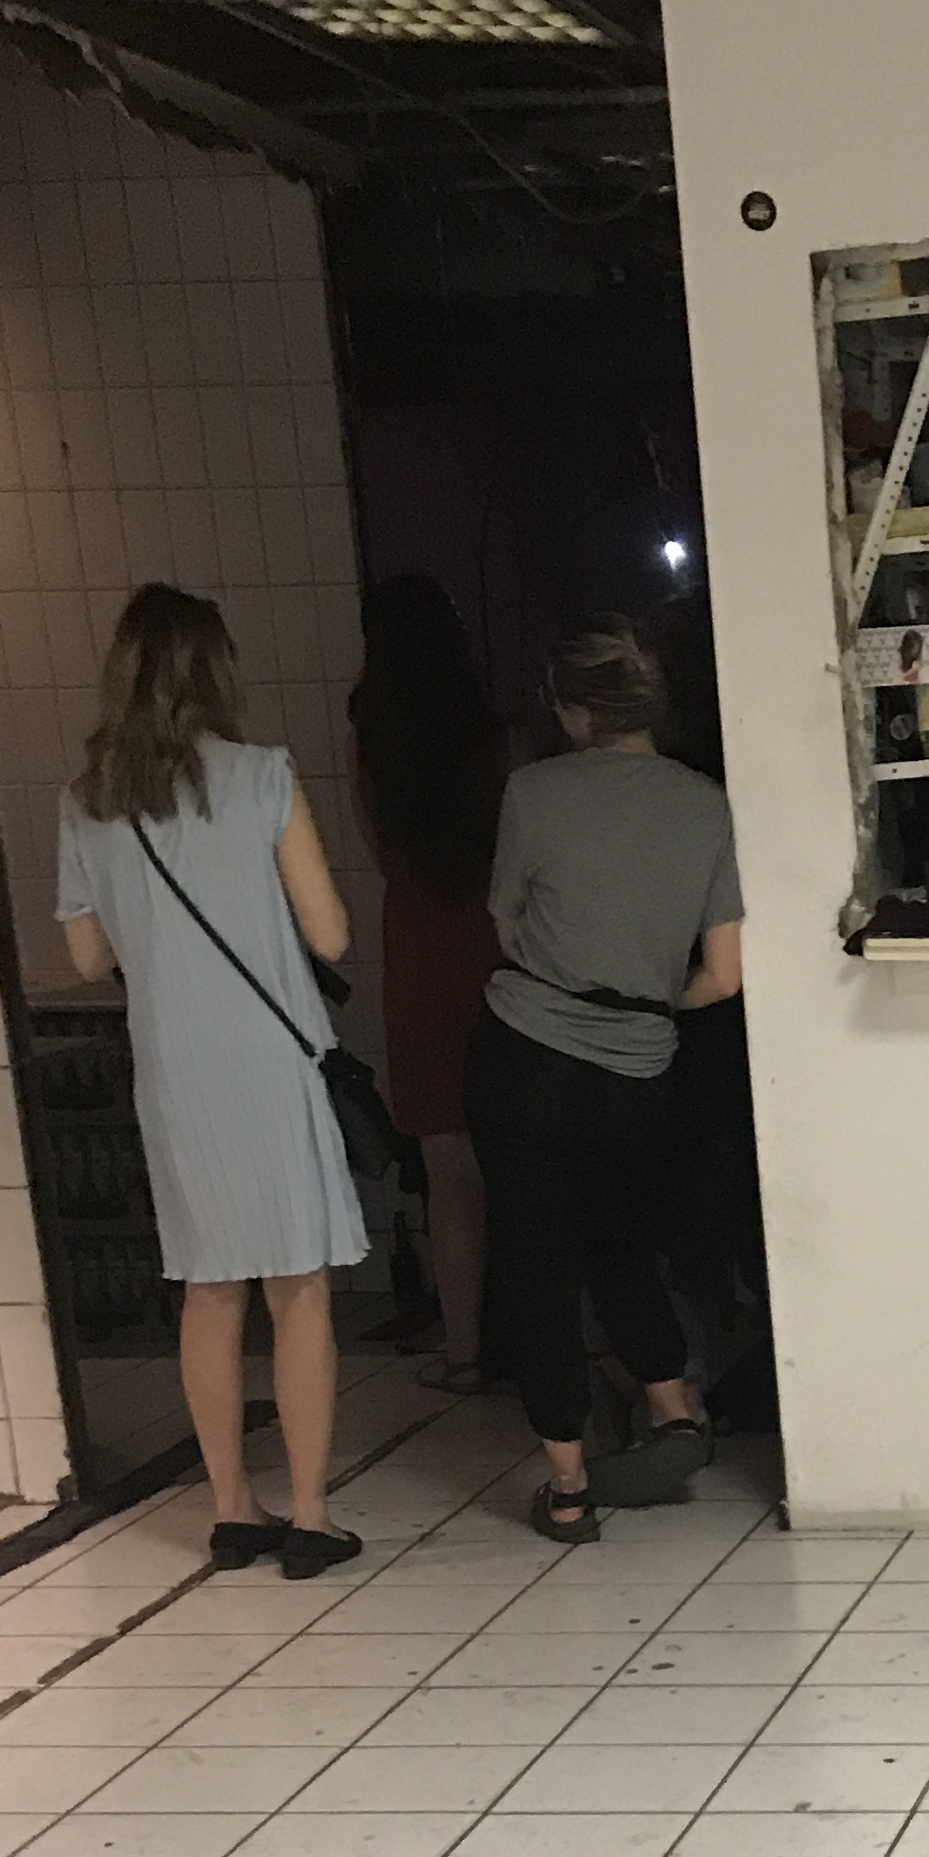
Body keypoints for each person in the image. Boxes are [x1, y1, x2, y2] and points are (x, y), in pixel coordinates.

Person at [55, 582, 364, 1575]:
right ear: (216, 669)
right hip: (267, 1060)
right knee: (298, 1286)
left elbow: (87, 959)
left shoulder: (87, 800)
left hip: (174, 1070)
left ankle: (232, 1508)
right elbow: (329, 933)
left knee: (210, 1287)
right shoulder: (263, 775)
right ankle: (310, 1515)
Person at [466, 615, 743, 1542]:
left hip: (526, 1057)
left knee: (538, 1271)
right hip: (638, 1071)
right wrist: (646, 998)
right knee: (625, 1249)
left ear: (575, 709)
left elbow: (507, 927)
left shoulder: (533, 792)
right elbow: (723, 977)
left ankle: (569, 1489)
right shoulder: (707, 807)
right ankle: (674, 1410)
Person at [348, 575, 507, 1392]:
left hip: (414, 938)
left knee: (447, 1165)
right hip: (493, 937)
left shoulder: (371, 738)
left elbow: (377, 848)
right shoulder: (490, 735)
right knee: (515, 1152)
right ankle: (546, 1334)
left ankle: (465, 1349)